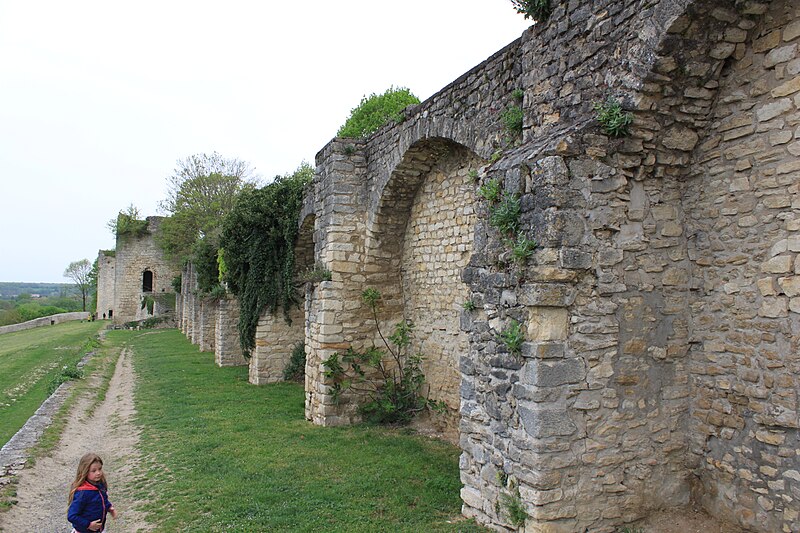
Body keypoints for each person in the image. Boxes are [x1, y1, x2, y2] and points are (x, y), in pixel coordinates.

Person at [67, 453, 117, 532]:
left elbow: (102, 500)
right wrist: (88, 525)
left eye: (100, 469)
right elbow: (72, 516)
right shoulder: (82, 493)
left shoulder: (100, 485)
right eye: (93, 471)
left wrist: (109, 507)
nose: (98, 473)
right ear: (85, 472)